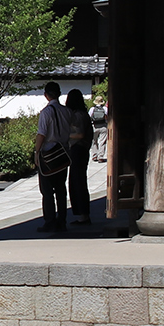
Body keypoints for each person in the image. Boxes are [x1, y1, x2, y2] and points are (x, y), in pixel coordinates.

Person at [35, 81, 70, 233]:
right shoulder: (66, 111)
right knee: (61, 188)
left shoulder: (46, 112)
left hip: (49, 153)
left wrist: (36, 152)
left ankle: (49, 220)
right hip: (63, 151)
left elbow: (42, 133)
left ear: (46, 95)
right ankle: (62, 219)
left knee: (47, 190)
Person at [66, 88, 93, 225]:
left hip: (77, 149)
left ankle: (83, 214)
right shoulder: (84, 114)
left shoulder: (78, 115)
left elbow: (80, 134)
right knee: (79, 181)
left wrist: (65, 136)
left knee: (77, 182)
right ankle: (83, 214)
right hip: (82, 149)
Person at [90, 89, 110, 164]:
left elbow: (90, 116)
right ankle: (101, 157)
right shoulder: (105, 109)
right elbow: (108, 116)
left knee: (94, 141)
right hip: (103, 126)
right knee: (102, 141)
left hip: (95, 126)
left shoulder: (92, 109)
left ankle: (94, 155)